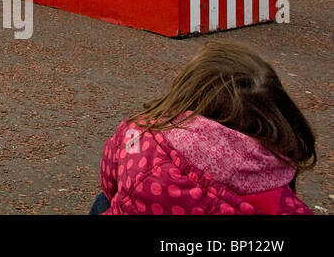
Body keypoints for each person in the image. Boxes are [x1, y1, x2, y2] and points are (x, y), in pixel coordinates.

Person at [96, 42, 316, 215]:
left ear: (187, 92)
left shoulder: (142, 136)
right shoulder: (277, 179)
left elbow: (109, 179)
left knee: (105, 200)